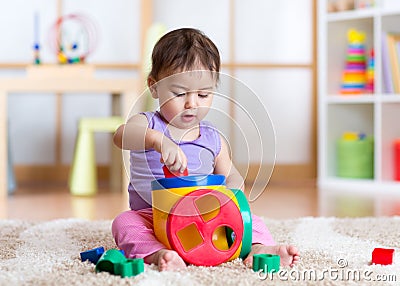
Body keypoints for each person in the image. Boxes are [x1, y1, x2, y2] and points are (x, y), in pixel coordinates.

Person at [112, 27, 300, 271]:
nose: (191, 103)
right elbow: (121, 136)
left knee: (250, 220)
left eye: (203, 94)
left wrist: (233, 190)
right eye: (179, 93)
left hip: (203, 219)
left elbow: (230, 173)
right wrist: (157, 140)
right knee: (124, 222)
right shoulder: (147, 123)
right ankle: (159, 254)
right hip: (153, 216)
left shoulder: (213, 138)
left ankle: (257, 248)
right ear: (154, 86)